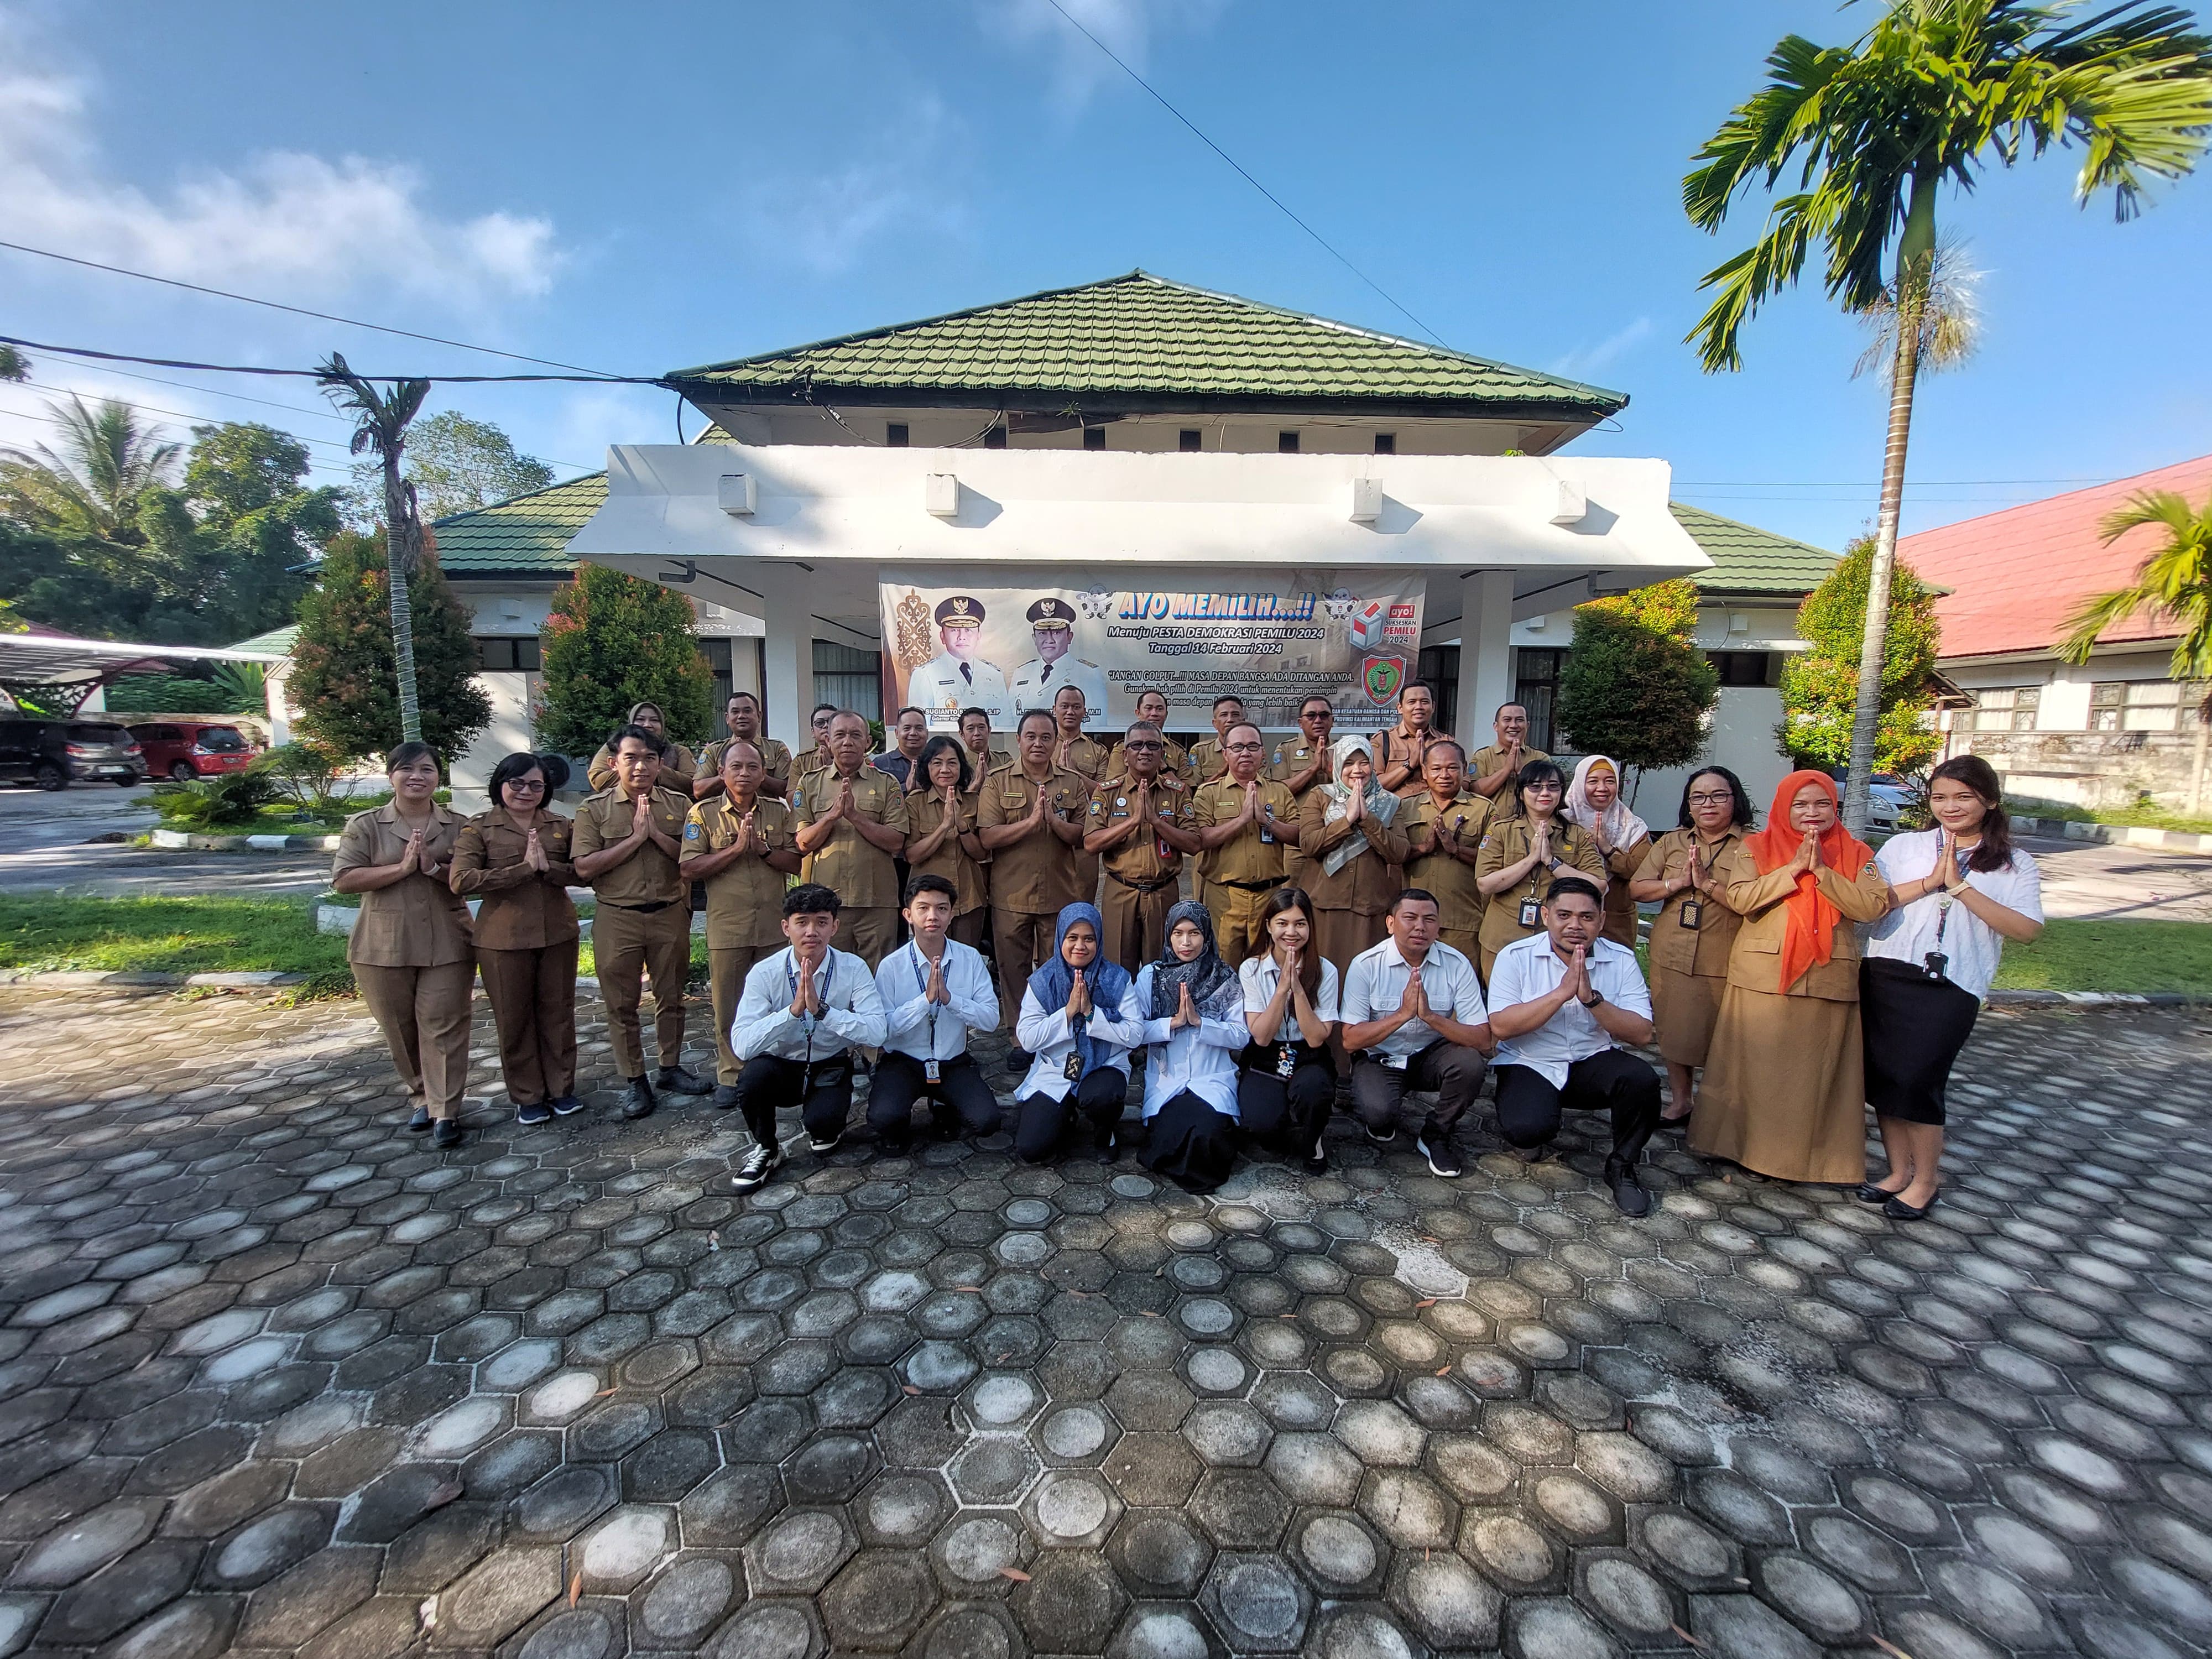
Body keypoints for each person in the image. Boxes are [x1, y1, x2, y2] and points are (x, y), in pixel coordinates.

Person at [1859, 755, 2044, 1219]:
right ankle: (1898, 1173)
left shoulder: (2013, 862)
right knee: (1886, 1080)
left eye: (1964, 796)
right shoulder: (1904, 846)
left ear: (1990, 800)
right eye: (1940, 797)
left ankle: (1926, 1181)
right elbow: (1870, 905)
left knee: (1920, 1080)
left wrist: (1960, 887)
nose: (1951, 806)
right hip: (1887, 972)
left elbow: (2026, 930)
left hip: (1952, 984)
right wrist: (1930, 883)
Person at [1691, 770, 1891, 1186]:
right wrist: (1793, 870)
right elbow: (1742, 898)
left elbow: (1872, 907)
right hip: (1762, 976)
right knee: (1756, 1071)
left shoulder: (1856, 853)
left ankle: (1802, 1162)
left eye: (1822, 804)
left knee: (1812, 1077)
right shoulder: (1756, 847)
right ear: (1785, 806)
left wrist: (1822, 872)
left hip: (1826, 978)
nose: (1812, 813)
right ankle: (1744, 1151)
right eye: (1801, 805)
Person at [1485, 877, 1665, 1215]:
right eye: (1564, 915)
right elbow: (1502, 1027)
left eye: (1586, 917)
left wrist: (1592, 1000)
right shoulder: (1516, 956)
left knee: (1642, 1079)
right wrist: (1560, 994)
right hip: (1530, 1061)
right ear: (1545, 916)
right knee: (1527, 1129)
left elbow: (1642, 1034)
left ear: (1601, 920)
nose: (1575, 926)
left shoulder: (1622, 959)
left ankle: (1622, 1167)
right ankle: (1538, 1117)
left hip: (1591, 1059)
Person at [333, 742, 476, 1147]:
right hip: (383, 944)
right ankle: (421, 1095)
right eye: (407, 769)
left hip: (448, 940)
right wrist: (399, 868)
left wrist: (433, 869)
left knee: (445, 1025)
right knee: (400, 1027)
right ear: (391, 774)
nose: (418, 777)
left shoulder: (459, 825)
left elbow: (473, 875)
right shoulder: (366, 825)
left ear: (438, 777)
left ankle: (446, 1111)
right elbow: (344, 879)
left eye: (428, 769)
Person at [573, 724, 713, 1118]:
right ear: (614, 763)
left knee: (672, 997)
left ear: (660, 764)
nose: (640, 767)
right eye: (631, 758)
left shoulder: (679, 805)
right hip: (618, 916)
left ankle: (669, 1068)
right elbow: (583, 867)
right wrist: (633, 840)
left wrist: (654, 835)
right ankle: (634, 1079)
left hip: (669, 912)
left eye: (649, 758)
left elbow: (691, 859)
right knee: (622, 1005)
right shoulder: (594, 809)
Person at [724, 884, 889, 1190]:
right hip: (782, 1064)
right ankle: (767, 1149)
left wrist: (824, 1011)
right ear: (786, 927)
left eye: (822, 922)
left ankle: (825, 1121)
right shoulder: (764, 972)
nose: (811, 931)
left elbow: (878, 1032)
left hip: (830, 1063)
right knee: (751, 1079)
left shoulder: (853, 968)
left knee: (824, 1134)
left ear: (835, 927)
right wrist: (793, 1012)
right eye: (802, 922)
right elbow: (742, 1044)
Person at [450, 752, 580, 1126]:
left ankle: (561, 1088)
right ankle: (528, 1095)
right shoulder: (480, 828)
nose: (526, 791)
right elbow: (461, 880)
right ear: (501, 785)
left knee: (558, 1014)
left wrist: (550, 869)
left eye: (536, 785)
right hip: (502, 938)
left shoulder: (560, 825)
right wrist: (522, 870)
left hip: (557, 933)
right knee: (514, 1018)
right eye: (517, 783)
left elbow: (584, 871)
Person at [1630, 766, 1755, 1125]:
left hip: (1726, 954)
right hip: (1672, 951)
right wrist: (1678, 883)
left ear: (1735, 799)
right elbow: (1638, 888)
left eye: (1718, 795)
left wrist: (1708, 885)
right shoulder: (1673, 841)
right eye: (1698, 797)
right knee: (1673, 1028)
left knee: (1723, 1035)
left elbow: (1758, 901)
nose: (1708, 804)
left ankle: (1719, 1110)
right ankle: (1681, 1100)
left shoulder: (1753, 845)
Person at [681, 740, 802, 1109]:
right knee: (729, 1005)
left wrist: (764, 851)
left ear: (763, 774)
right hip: (728, 926)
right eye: (736, 767)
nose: (745, 774)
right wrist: (735, 850)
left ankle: (775, 1070)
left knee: (778, 1002)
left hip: (772, 925)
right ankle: (731, 1073)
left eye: (753, 767)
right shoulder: (703, 814)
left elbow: (799, 861)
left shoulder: (779, 813)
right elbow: (688, 868)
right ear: (722, 773)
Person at [1341, 889, 1492, 1177]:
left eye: (1429, 920)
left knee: (1470, 1064)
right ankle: (1382, 1118)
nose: (1420, 927)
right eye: (1410, 918)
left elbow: (1483, 1039)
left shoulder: (1457, 964)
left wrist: (1430, 1017)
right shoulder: (1366, 965)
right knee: (1378, 1113)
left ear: (1439, 926)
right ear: (1390, 923)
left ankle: (1436, 1133)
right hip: (1382, 1056)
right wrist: (1402, 1015)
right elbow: (1350, 1040)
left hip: (1431, 1055)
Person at [978, 709, 1091, 1056]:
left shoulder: (1072, 782)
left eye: (1046, 737)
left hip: (1059, 895)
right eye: (1031, 736)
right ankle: (1019, 1036)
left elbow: (1084, 835)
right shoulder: (998, 781)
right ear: (1019, 740)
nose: (1038, 743)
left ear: (1056, 741)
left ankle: (1056, 1030)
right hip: (1011, 896)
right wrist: (1030, 823)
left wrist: (1054, 822)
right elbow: (988, 836)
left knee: (1059, 967)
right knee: (1013, 971)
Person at [869, 874, 1003, 1152]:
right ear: (908, 914)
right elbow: (882, 1031)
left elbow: (991, 1020)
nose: (933, 916)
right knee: (885, 1120)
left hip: (953, 1060)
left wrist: (950, 1000)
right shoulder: (891, 966)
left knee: (987, 1122)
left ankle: (943, 1102)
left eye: (942, 908)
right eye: (923, 908)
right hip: (904, 1061)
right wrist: (924, 1001)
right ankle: (903, 1110)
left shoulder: (970, 959)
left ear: (951, 914)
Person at [1129, 902, 1249, 1192]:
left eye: (1194, 933)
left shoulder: (1224, 976)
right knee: (1171, 1133)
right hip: (1167, 1080)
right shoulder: (1151, 976)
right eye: (1178, 933)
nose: (1186, 942)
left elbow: (1240, 1035)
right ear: (1168, 936)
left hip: (1212, 1079)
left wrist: (1200, 1023)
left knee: (1207, 1133)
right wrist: (1172, 1023)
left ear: (1206, 936)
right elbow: (1133, 1033)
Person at [1013, 902, 1141, 1164]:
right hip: (1056, 1069)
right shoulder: (1042, 981)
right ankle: (1066, 1114)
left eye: (1088, 939)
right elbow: (1027, 1039)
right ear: (1060, 938)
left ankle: (1105, 1133)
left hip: (1103, 1067)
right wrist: (1068, 1012)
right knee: (1031, 1148)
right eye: (1072, 938)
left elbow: (1135, 1034)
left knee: (1103, 1098)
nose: (1080, 946)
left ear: (1099, 941)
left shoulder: (1116, 979)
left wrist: (1092, 1013)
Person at [795, 710, 910, 967]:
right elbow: (803, 842)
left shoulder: (887, 784)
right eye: (840, 735)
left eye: (856, 735)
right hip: (825, 905)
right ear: (827, 740)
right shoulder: (810, 783)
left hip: (875, 903)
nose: (848, 742)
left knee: (878, 977)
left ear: (868, 742)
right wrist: (832, 817)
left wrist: (855, 816)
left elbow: (896, 842)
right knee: (828, 975)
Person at [1475, 760, 1609, 979]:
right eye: (1535, 787)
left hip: (1556, 938)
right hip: (1504, 935)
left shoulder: (1576, 835)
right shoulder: (1502, 831)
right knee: (1503, 1006)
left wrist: (1551, 861)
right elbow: (1485, 883)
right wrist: (1531, 859)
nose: (1545, 793)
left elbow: (1599, 885)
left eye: (1553, 787)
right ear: (1521, 793)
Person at [1237, 886, 1339, 1173]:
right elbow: (1261, 1035)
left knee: (1314, 1091)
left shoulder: (1326, 971)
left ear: (1310, 927)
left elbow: (1318, 1037)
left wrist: (1298, 990)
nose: (1291, 932)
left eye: (1300, 924)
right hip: (1266, 1054)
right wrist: (1281, 990)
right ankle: (1282, 1122)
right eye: (1282, 923)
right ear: (1269, 926)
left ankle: (1314, 1138)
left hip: (1308, 1054)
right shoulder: (1251, 969)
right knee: (1261, 1125)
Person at [1085, 723, 1199, 971]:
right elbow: (1091, 843)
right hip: (1121, 892)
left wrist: (1157, 822)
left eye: (1153, 746)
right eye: (1137, 745)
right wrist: (1134, 822)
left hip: (1163, 893)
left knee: (1162, 969)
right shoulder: (1107, 793)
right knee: (1117, 970)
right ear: (1125, 756)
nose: (1145, 751)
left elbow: (1194, 844)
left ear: (1161, 756)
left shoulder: (1178, 792)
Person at [1298, 734, 1412, 976]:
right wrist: (1347, 820)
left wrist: (1368, 819)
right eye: (1348, 763)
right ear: (1337, 766)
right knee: (1326, 978)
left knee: (1366, 978)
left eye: (1364, 763)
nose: (1357, 770)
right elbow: (1309, 845)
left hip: (1371, 908)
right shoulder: (1320, 797)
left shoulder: (1390, 803)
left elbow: (1399, 852)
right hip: (1327, 906)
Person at [1192, 722, 1299, 961]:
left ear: (1263, 753)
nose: (1245, 753)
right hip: (1225, 897)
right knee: (1223, 965)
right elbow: (1201, 839)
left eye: (1252, 746)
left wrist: (1266, 820)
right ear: (1226, 753)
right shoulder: (1208, 793)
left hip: (1269, 895)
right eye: (1238, 747)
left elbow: (1300, 835)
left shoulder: (1279, 791)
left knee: (1267, 966)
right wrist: (1242, 820)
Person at [1400, 741, 1491, 961]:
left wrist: (1456, 849)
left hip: (1462, 920)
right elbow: (1393, 854)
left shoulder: (1484, 809)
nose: (1445, 775)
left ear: (1464, 768)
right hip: (1412, 921)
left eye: (1452, 768)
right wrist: (1423, 848)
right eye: (1437, 768)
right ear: (1424, 771)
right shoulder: (1406, 807)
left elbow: (1493, 862)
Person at [902, 735, 990, 950]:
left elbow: (981, 853)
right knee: (928, 961)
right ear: (927, 767)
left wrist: (961, 825)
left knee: (964, 961)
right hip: (926, 903)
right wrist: (944, 826)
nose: (945, 769)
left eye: (952, 763)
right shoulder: (915, 802)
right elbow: (912, 855)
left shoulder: (974, 801)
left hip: (969, 899)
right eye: (937, 763)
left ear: (961, 766)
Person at [1564, 755, 1652, 948]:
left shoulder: (1633, 826)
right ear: (1579, 784)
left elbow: (1644, 869)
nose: (1602, 788)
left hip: (1616, 920)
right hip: (1567, 918)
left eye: (1610, 781)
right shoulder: (1563, 822)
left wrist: (1607, 848)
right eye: (1593, 781)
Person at [909, 596, 1010, 726]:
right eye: (955, 630)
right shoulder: (925, 674)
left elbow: (1007, 724)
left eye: (968, 630)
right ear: (942, 636)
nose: (962, 637)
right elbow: (919, 726)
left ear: (979, 636)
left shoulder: (994, 674)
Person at [1269, 694, 1337, 888]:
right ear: (1300, 722)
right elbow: (1279, 791)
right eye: (1311, 716)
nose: (1318, 720)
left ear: (1332, 720)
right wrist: (1313, 769)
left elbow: (1356, 788)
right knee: (1291, 898)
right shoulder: (1286, 751)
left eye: (1324, 715)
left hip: (1335, 836)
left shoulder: (1343, 749)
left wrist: (1330, 771)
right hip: (1297, 839)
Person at [1010, 597, 1109, 725]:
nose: (1049, 640)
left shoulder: (1088, 673)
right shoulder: (1021, 673)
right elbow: (1011, 721)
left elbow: (1096, 722)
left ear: (1069, 637)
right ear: (1034, 638)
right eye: (1042, 633)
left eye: (1057, 633)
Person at [693, 691, 793, 801]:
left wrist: (757, 774)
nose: (741, 716)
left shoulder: (776, 749)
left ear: (759, 716)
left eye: (747, 711)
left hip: (766, 815)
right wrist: (728, 774)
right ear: (727, 718)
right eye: (735, 712)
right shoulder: (714, 751)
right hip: (722, 816)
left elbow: (787, 790)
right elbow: (698, 791)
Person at [587, 701, 697, 792]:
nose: (647, 725)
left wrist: (655, 769)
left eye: (654, 720)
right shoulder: (615, 747)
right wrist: (636, 773)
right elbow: (598, 780)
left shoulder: (679, 752)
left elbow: (692, 784)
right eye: (640, 720)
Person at [1373, 681, 1452, 799]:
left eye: (1424, 702)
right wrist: (1410, 765)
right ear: (1400, 708)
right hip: (1396, 812)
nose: (1419, 707)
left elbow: (1464, 784)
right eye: (1412, 702)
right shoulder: (1383, 740)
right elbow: (1373, 786)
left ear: (1433, 707)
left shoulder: (1446, 742)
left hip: (1434, 812)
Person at [1467, 703, 1549, 815]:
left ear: (1527, 725)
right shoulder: (1483, 756)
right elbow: (1474, 792)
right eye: (1507, 720)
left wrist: (1522, 772)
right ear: (1496, 726)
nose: (1513, 725)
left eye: (1519, 720)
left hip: (1529, 826)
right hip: (1492, 827)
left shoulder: (1540, 758)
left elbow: (1547, 793)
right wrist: (1506, 770)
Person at [1109, 690, 1192, 787]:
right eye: (1148, 708)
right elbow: (1113, 789)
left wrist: (1164, 768)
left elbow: (1187, 792)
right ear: (1138, 713)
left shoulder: (1178, 752)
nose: (1154, 713)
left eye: (1160, 709)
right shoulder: (1122, 748)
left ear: (1166, 714)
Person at [1049, 684, 1113, 781]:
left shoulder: (1099, 751)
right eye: (1065, 706)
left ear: (1084, 712)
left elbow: (1102, 792)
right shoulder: (1042, 745)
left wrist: (1074, 774)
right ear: (1054, 710)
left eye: (1076, 707)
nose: (1070, 712)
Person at [1187, 695, 1246, 784]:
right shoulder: (1200, 751)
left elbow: (1265, 786)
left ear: (1243, 721)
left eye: (1235, 715)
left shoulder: (1253, 751)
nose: (1230, 720)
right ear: (1215, 723)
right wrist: (1223, 772)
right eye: (1224, 715)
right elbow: (1195, 789)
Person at [873, 705, 932, 790]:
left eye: (919, 728)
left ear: (927, 733)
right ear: (897, 733)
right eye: (907, 728)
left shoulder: (936, 762)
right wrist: (905, 787)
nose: (913, 733)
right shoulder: (881, 764)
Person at [792, 704, 839, 788]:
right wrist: (818, 775)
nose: (826, 726)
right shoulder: (802, 761)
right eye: (820, 723)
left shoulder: (858, 758)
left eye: (831, 722)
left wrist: (835, 771)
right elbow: (791, 798)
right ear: (813, 732)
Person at [959, 705, 1014, 777]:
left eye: (981, 727)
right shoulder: (959, 763)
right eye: (971, 729)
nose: (977, 733)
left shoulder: (1004, 760)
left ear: (989, 730)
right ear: (962, 734)